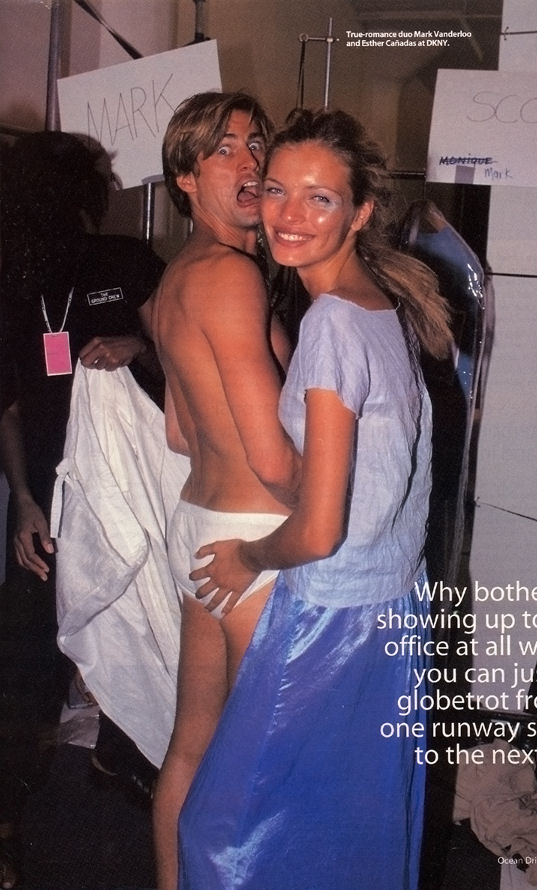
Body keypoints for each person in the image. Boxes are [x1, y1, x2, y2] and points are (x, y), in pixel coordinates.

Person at [180, 108, 453, 889]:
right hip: (390, 608)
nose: (288, 214)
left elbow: (319, 529)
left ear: (359, 212)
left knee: (221, 836)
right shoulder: (376, 305)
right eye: (276, 190)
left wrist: (247, 557)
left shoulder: (332, 323)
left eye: (318, 198)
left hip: (331, 621)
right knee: (344, 826)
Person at [0, 130, 165, 889]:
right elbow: (7, 406)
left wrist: (136, 343)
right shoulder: (11, 281)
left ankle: (124, 759)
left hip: (127, 487)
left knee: (142, 624)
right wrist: (24, 502)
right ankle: (11, 817)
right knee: (28, 650)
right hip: (47, 488)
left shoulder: (125, 261)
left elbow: (184, 348)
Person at [149, 92, 301, 890]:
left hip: (203, 522)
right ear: (185, 178)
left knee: (193, 746)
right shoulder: (231, 277)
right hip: (253, 538)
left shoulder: (179, 277)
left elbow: (181, 433)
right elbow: (273, 457)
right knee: (265, 767)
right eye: (222, 150)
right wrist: (346, 501)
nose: (248, 162)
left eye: (255, 143)